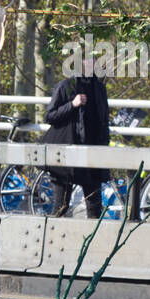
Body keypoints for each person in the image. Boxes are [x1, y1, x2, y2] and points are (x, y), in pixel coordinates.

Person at [43, 71, 110, 217]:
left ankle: (94, 239)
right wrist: (72, 105)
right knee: (61, 207)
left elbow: (104, 120)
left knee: (95, 208)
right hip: (68, 154)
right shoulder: (65, 86)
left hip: (92, 154)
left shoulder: (99, 87)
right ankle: (52, 237)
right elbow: (49, 116)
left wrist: (105, 147)